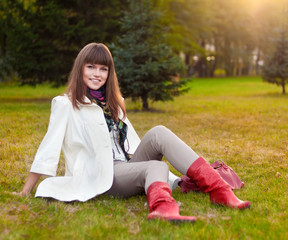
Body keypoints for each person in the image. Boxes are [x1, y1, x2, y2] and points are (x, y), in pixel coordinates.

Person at [18, 43, 250, 223]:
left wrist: (175, 181)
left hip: (126, 164)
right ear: (80, 69)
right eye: (90, 67)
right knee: (156, 166)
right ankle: (162, 208)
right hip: (104, 176)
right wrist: (27, 189)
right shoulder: (66, 104)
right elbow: (49, 147)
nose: (97, 73)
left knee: (159, 132)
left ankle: (219, 189)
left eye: (103, 68)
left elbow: (133, 143)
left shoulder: (113, 103)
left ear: (109, 73)